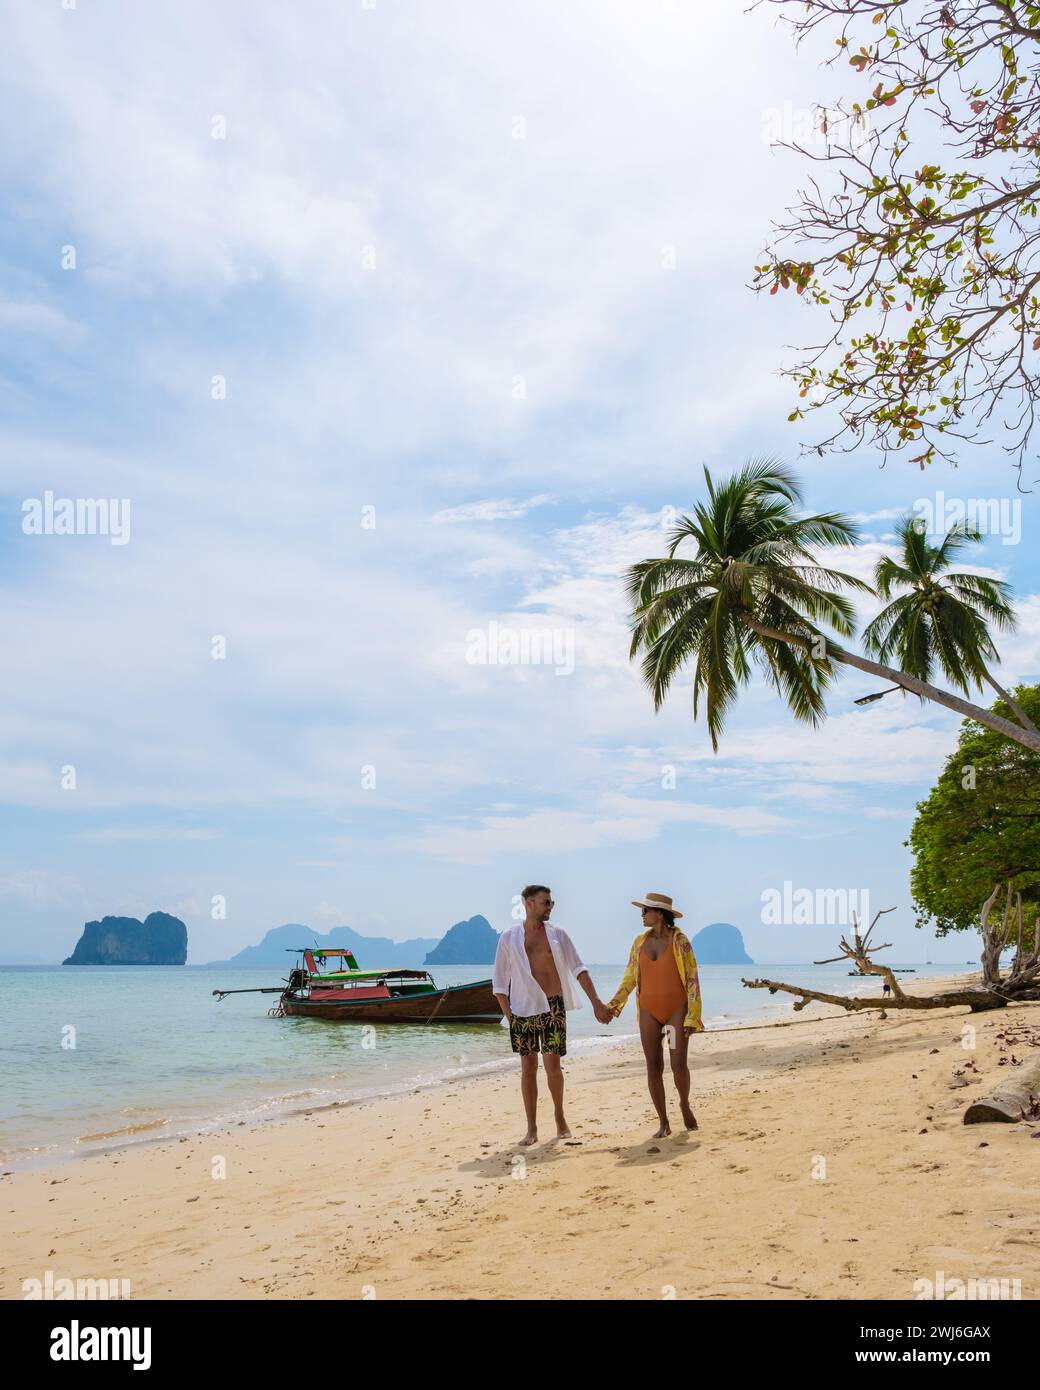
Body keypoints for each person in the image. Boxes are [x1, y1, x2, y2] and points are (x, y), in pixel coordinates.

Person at [492, 884, 614, 1146]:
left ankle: (559, 1117)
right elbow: (499, 982)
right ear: (529, 905)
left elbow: (579, 968)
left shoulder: (558, 935)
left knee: (553, 1067)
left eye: (551, 903)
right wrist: (509, 1017)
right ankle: (532, 1128)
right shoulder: (509, 938)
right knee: (527, 1070)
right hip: (522, 1010)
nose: (550, 907)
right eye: (546, 903)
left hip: (553, 1007)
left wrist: (596, 1002)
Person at [607, 892, 703, 1138]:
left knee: (678, 1064)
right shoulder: (639, 942)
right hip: (649, 1012)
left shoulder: (680, 942)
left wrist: (693, 1016)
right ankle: (663, 1121)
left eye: (645, 911)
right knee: (653, 1065)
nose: (642, 915)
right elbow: (629, 977)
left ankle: (684, 1103)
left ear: (659, 913)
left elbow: (692, 981)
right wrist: (614, 1005)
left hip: (675, 1013)